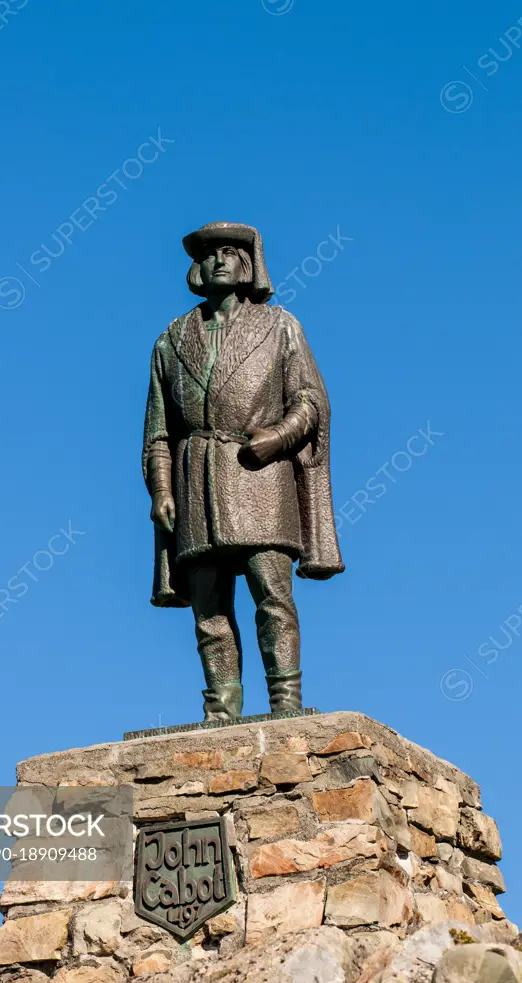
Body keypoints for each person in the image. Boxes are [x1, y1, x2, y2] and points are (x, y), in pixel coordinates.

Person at [143, 222, 344, 720]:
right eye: (209, 253)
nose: (218, 260)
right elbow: (158, 434)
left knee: (271, 594)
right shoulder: (171, 340)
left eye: (230, 252)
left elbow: (311, 402)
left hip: (260, 476)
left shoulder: (280, 327)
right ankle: (221, 706)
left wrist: (278, 436)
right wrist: (162, 490)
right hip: (197, 481)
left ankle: (286, 700)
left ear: (249, 264)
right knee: (208, 608)